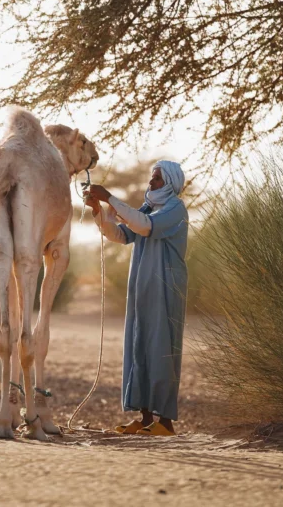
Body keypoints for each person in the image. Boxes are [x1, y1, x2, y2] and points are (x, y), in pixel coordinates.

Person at [83, 160, 188, 436]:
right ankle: (144, 417)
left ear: (170, 183)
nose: (151, 183)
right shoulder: (146, 208)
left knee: (161, 349)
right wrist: (99, 211)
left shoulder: (175, 209)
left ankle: (165, 422)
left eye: (156, 179)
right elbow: (121, 234)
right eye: (151, 179)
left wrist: (109, 197)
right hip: (141, 289)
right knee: (139, 345)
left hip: (165, 288)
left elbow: (146, 227)